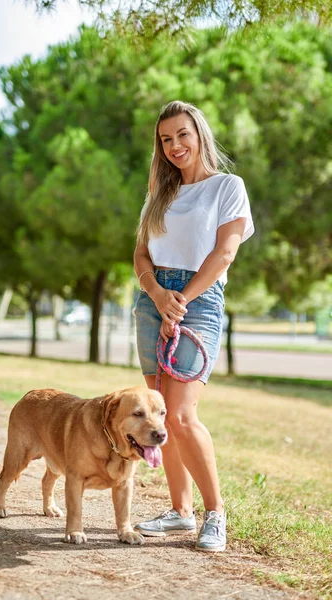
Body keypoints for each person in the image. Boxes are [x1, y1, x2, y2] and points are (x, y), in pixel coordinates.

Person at [133, 100, 254, 552]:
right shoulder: (158, 197)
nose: (175, 145)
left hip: (198, 301)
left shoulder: (227, 186)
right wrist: (158, 295)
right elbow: (141, 255)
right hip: (152, 302)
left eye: (182, 134)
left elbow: (225, 253)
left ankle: (214, 515)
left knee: (181, 415)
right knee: (159, 418)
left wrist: (179, 300)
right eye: (166, 139)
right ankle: (180, 513)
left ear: (199, 133)